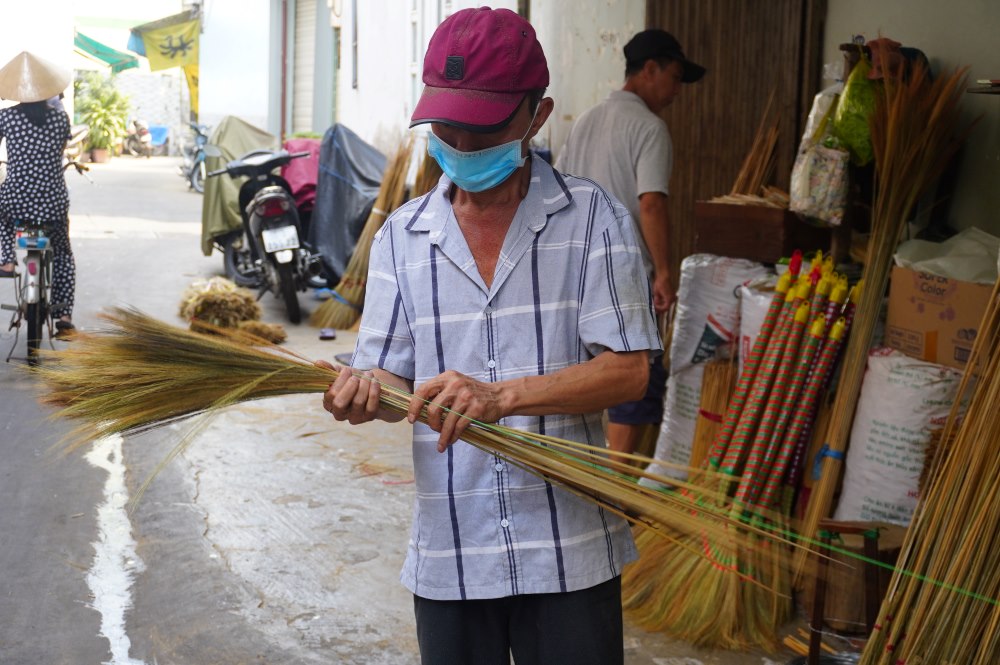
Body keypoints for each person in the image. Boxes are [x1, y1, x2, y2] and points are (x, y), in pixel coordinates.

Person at [321, 7, 661, 665]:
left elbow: (629, 372)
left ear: (539, 115)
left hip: (570, 553)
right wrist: (362, 392)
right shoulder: (402, 238)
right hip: (452, 550)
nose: (465, 145)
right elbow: (387, 370)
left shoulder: (594, 219)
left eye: (484, 128)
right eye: (447, 128)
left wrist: (501, 397)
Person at [556, 29, 705, 458]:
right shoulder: (649, 127)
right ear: (649, 69)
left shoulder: (585, 121)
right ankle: (613, 489)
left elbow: (560, 190)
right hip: (624, 276)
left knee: (581, 377)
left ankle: (583, 479)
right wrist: (663, 271)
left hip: (575, 272)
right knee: (632, 380)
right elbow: (652, 203)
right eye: (675, 77)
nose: (677, 91)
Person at [0, 51, 76, 334]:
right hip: (52, 204)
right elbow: (59, 151)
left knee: (2, 216)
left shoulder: (6, 117)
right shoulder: (60, 119)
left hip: (16, 201)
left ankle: (7, 260)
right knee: (64, 254)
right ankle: (64, 317)